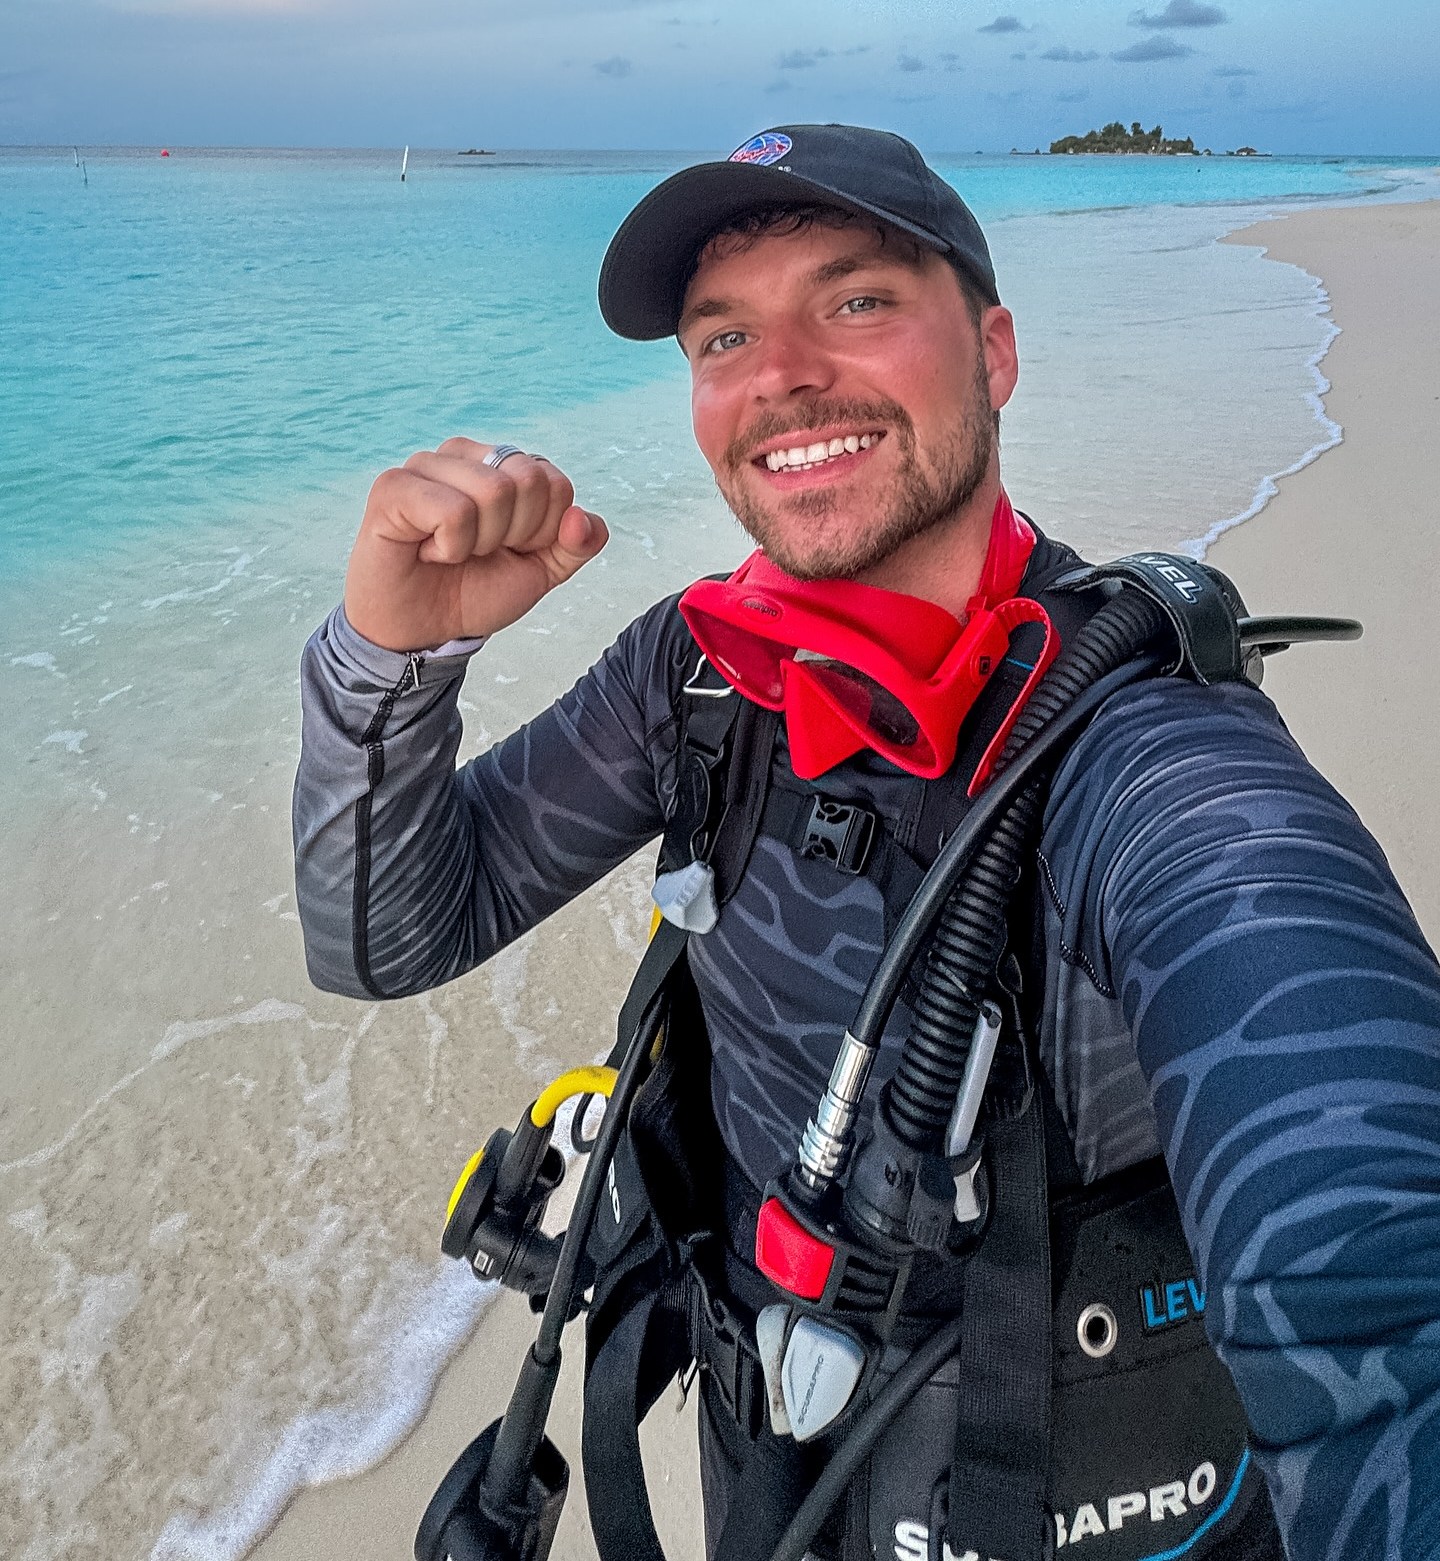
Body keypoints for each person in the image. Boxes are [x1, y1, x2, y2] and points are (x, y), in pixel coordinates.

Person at [293, 125, 1440, 1561]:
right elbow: (390, 934)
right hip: (769, 1449)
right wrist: (385, 662)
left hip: (1068, 1478)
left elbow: (1377, 1280)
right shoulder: (696, 678)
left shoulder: (1144, 752)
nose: (779, 373)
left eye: (856, 302)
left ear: (997, 350)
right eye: (723, 335)